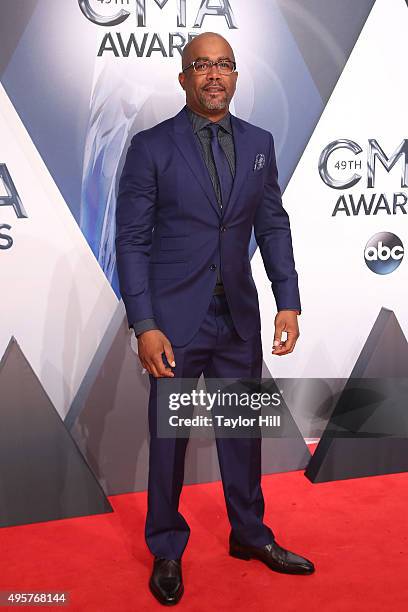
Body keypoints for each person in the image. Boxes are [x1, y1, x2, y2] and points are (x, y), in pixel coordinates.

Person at [115, 31, 314, 607]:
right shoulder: (152, 147)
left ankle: (250, 535)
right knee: (169, 439)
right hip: (175, 322)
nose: (214, 75)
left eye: (224, 64)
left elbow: (272, 224)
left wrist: (288, 300)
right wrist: (144, 322)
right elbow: (130, 240)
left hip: (238, 318)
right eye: (201, 65)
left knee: (242, 434)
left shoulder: (259, 142)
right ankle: (167, 549)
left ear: (235, 75)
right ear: (183, 78)